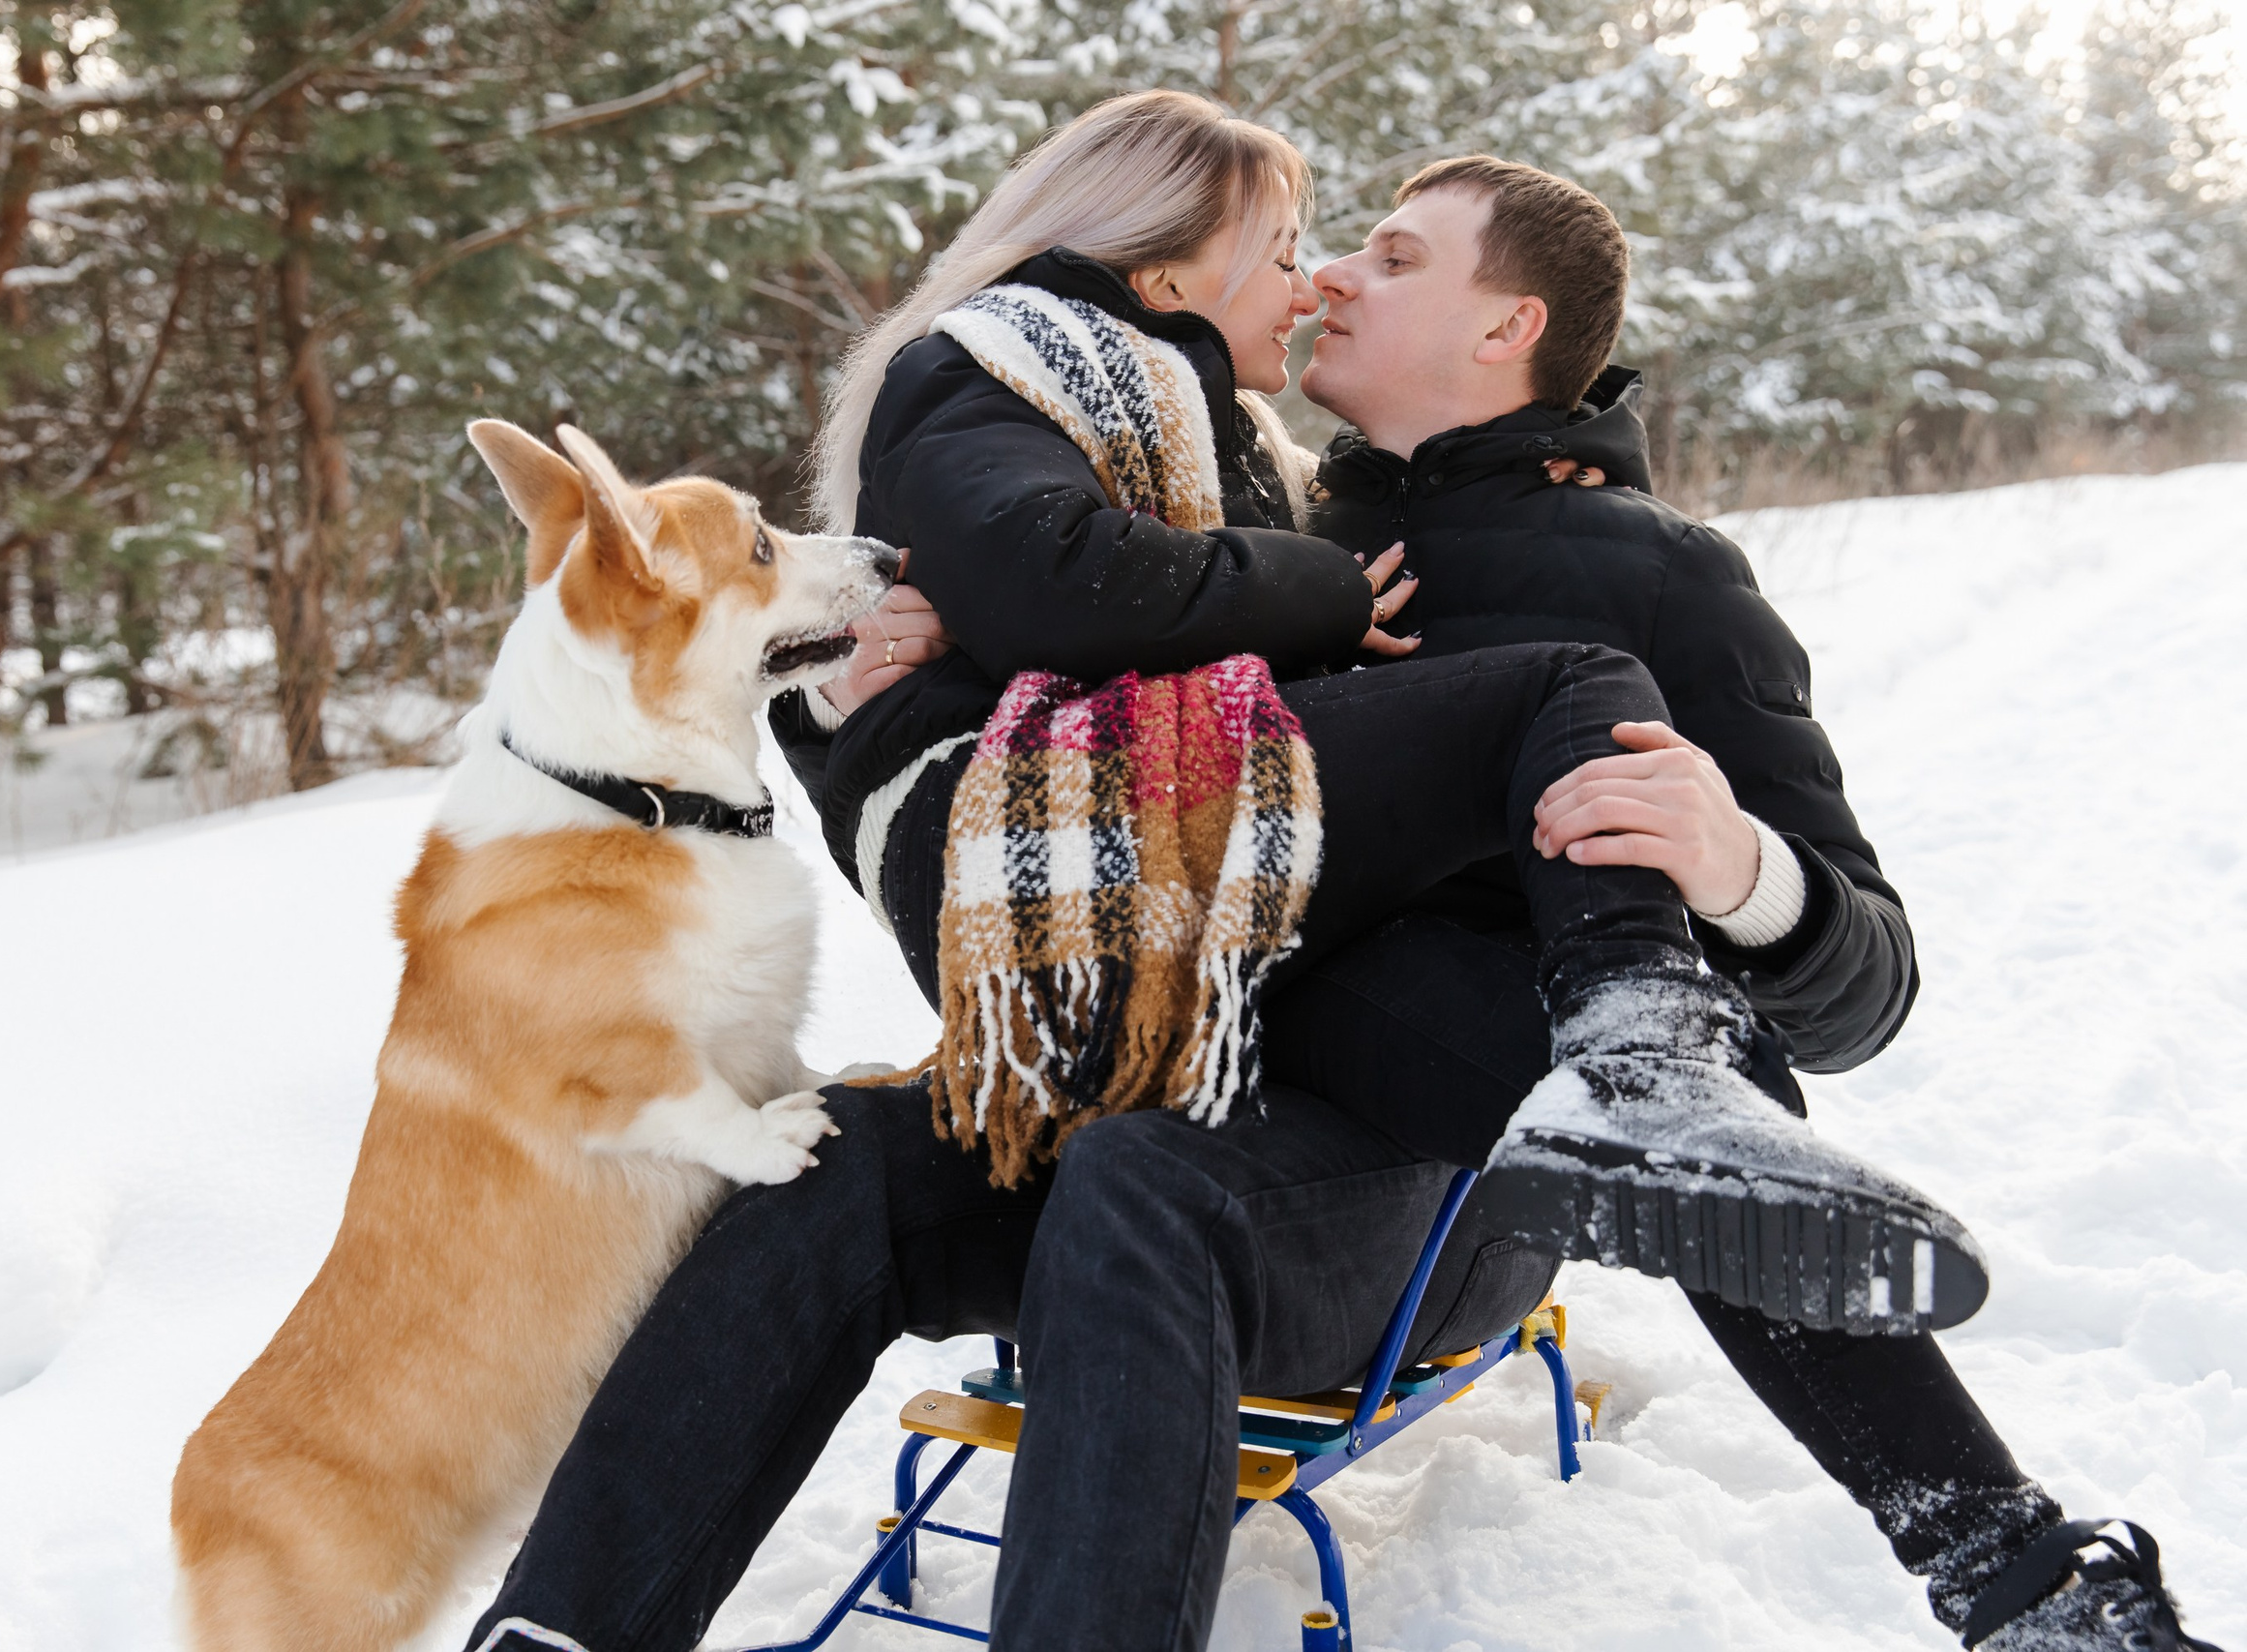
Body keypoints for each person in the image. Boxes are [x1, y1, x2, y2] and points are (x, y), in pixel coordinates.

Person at [464, 99, 2208, 1652]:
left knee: (1173, 1177)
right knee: (826, 1166)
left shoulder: (1657, 582)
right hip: (1153, 1065)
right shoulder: (1224, 524)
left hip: (1420, 1185)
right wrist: (864, 701)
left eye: (1385, 251)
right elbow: (1032, 838)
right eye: (1315, 251)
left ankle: (2027, 1585)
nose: (1331, 282)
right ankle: (559, 1631)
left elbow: (1861, 990)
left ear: (1507, 323)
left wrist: (1745, 871)